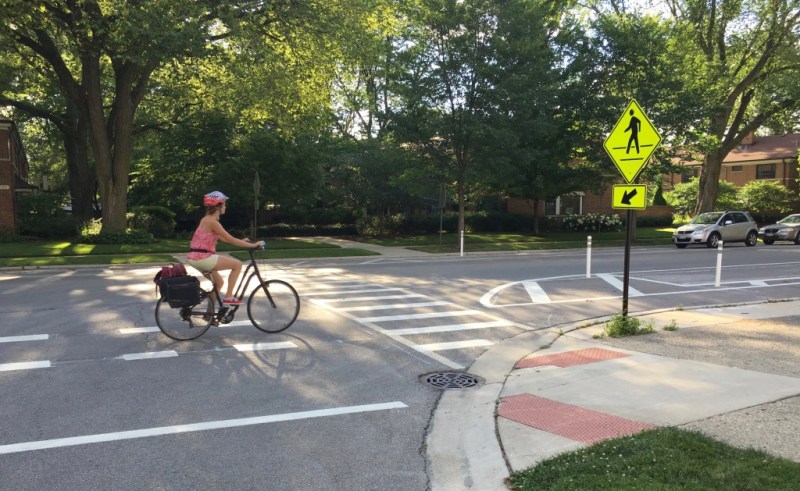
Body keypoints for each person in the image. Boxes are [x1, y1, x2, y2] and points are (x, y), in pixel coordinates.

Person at [186, 191, 264, 305]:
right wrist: (254, 245)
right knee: (237, 265)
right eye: (224, 204)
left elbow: (223, 238)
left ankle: (209, 316)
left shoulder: (205, 219)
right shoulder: (213, 222)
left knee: (219, 283)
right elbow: (232, 240)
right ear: (218, 206)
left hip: (194, 258)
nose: (225, 206)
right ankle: (228, 296)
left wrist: (241, 241)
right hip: (203, 258)